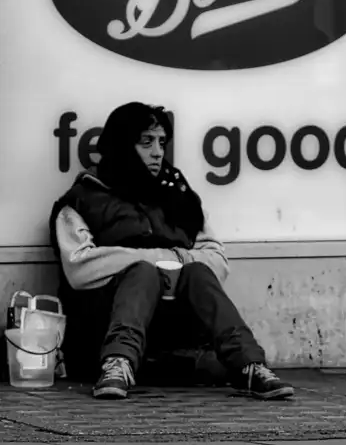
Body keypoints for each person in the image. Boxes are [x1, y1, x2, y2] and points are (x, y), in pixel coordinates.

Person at [49, 102, 294, 401]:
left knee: (198, 272)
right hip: (103, 329)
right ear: (122, 145)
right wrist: (155, 261)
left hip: (172, 332)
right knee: (142, 274)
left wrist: (177, 261)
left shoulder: (178, 196)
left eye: (162, 143)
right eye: (146, 142)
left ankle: (250, 366)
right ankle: (117, 364)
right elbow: (79, 267)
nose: (157, 152)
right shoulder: (82, 200)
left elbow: (217, 259)